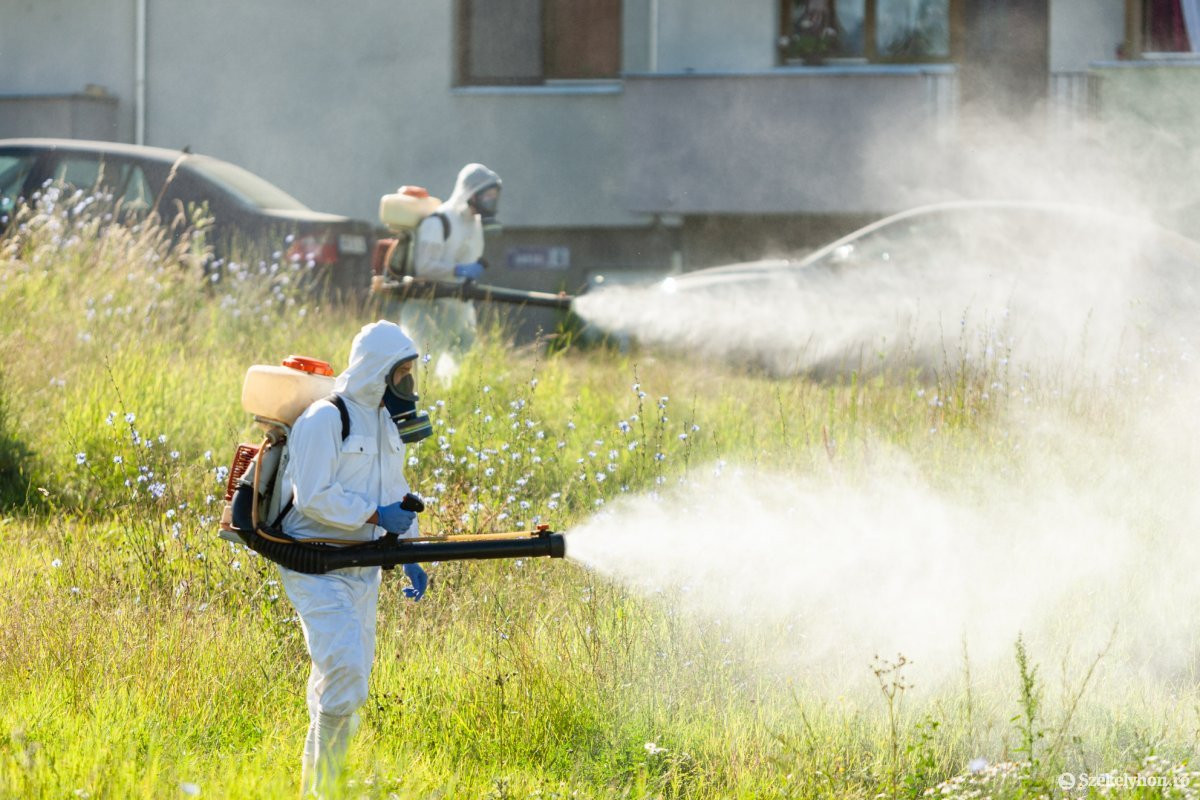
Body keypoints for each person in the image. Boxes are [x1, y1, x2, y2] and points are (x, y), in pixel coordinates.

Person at [276, 320, 431, 797]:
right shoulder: (325, 418)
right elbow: (312, 496)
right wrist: (374, 515)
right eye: (401, 372)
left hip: (363, 567)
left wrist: (410, 548)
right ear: (377, 370)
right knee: (346, 676)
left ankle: (317, 790)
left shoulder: (384, 422)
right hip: (316, 564)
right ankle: (326, 790)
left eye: (410, 372)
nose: (407, 382)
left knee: (343, 678)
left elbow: (394, 490)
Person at [399, 163, 502, 366]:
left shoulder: (475, 224)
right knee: (426, 366)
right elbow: (424, 266)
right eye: (487, 195)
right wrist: (457, 270)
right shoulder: (439, 221)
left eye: (494, 196)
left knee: (462, 365)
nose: (491, 201)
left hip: (459, 308)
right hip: (428, 309)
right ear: (472, 193)